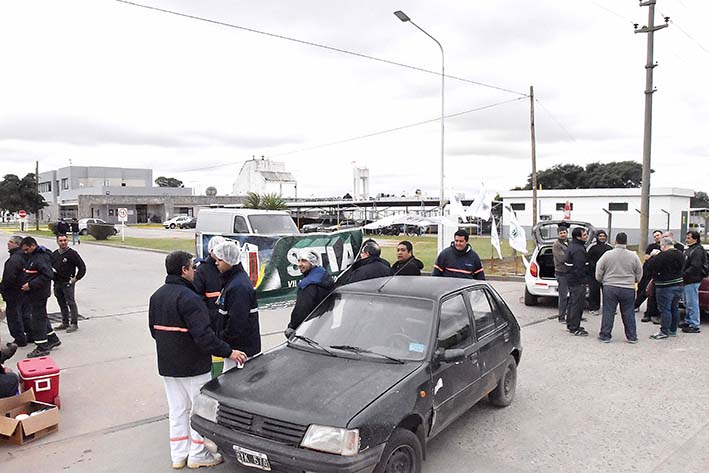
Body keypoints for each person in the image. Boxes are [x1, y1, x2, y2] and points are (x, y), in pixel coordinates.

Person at [149, 250, 246, 469]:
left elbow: (154, 331)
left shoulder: (156, 296)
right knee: (199, 411)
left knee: (177, 410)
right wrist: (229, 352)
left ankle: (178, 455)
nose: (196, 270)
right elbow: (204, 337)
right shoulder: (190, 299)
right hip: (193, 366)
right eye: (193, 267)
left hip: (167, 366)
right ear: (184, 270)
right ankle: (198, 454)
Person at [213, 240, 261, 371]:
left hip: (240, 351)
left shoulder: (239, 287)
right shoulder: (231, 280)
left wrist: (223, 341)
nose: (216, 263)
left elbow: (237, 322)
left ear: (229, 260)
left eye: (219, 260)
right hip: (235, 349)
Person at [595, 233, 643, 343]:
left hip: (610, 286)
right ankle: (632, 336)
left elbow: (599, 269)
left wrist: (602, 280)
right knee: (628, 312)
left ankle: (605, 335)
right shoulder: (633, 255)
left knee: (609, 311)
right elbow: (639, 271)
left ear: (615, 241)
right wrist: (634, 281)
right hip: (628, 287)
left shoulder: (607, 254)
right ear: (626, 242)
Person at [20, 237, 61, 358]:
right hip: (35, 293)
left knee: (37, 319)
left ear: (33, 245)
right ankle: (53, 338)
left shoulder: (40, 257)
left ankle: (42, 347)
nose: (25, 252)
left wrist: (31, 284)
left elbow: (48, 274)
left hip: (38, 294)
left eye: (27, 249)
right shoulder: (34, 256)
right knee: (42, 316)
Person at [284, 249, 334, 338]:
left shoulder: (308, 285)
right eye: (298, 261)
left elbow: (301, 310)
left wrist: (292, 327)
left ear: (312, 262)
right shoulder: (324, 275)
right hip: (326, 324)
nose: (299, 264)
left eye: (303, 261)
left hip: (310, 330)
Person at [646, 237, 685, 339]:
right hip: (678, 284)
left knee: (665, 309)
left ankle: (664, 331)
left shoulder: (662, 256)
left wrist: (652, 256)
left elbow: (650, 267)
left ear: (663, 245)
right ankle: (673, 330)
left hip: (665, 285)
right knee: (674, 308)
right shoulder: (681, 254)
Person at [0, 236, 33, 346]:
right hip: (25, 291)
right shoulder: (26, 256)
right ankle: (30, 335)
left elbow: (8, 278)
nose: (8, 243)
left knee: (14, 317)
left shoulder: (14, 259)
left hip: (13, 292)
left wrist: (3, 289)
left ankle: (19, 339)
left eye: (11, 242)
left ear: (17, 244)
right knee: (25, 314)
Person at [51, 234, 87, 333]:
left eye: (65, 240)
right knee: (61, 303)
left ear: (68, 241)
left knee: (70, 302)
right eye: (61, 241)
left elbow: (82, 267)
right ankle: (65, 322)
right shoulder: (55, 254)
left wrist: (76, 278)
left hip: (67, 283)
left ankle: (74, 323)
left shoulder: (72, 254)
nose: (63, 242)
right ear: (57, 242)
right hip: (57, 283)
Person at [193, 236, 226, 335]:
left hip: (225, 319)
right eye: (217, 251)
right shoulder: (202, 270)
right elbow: (198, 299)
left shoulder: (226, 268)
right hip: (211, 323)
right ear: (211, 251)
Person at [564, 227, 590, 336]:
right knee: (577, 304)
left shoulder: (572, 246)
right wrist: (584, 280)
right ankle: (575, 327)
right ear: (578, 236)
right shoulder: (579, 249)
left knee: (572, 302)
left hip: (571, 279)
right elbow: (579, 268)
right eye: (584, 235)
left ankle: (570, 323)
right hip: (577, 281)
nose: (587, 236)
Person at [681, 230, 707, 334]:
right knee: (687, 302)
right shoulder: (690, 249)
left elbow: (695, 266)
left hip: (692, 279)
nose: (687, 239)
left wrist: (684, 274)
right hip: (686, 280)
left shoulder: (698, 251)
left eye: (689, 238)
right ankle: (688, 320)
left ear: (695, 239)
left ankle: (694, 324)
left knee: (692, 303)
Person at [636, 230, 663, 321]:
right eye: (655, 236)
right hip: (648, 271)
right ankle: (636, 306)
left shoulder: (664, 247)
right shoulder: (651, 246)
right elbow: (646, 257)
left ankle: (653, 313)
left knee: (654, 294)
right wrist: (652, 254)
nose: (656, 237)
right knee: (644, 290)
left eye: (658, 235)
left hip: (659, 273)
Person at [586, 230, 612, 315]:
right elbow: (588, 259)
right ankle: (594, 308)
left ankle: (609, 308)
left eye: (603, 236)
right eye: (600, 236)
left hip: (607, 274)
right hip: (594, 273)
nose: (602, 238)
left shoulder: (609, 248)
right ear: (597, 237)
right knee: (594, 291)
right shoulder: (592, 247)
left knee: (608, 292)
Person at [552, 224, 570, 323]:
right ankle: (561, 316)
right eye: (561, 233)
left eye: (564, 233)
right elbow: (561, 258)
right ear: (558, 234)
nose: (563, 235)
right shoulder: (556, 245)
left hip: (570, 273)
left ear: (567, 233)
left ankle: (571, 316)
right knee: (563, 296)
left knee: (572, 296)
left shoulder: (569, 243)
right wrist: (571, 256)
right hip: (561, 273)